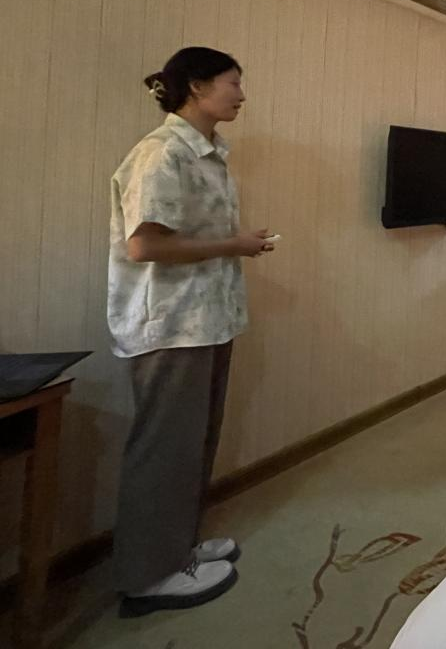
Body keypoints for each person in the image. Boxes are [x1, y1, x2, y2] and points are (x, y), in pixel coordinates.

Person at [109, 47, 276, 616]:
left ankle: (176, 546)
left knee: (193, 443)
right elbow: (144, 245)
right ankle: (147, 577)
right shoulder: (162, 153)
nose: (242, 95)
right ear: (198, 87)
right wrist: (235, 244)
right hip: (171, 325)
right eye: (233, 83)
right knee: (164, 449)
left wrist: (236, 243)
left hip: (206, 319)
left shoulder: (208, 153)